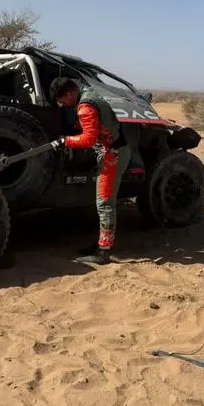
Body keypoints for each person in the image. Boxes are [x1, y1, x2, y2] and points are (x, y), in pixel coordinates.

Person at [48, 77, 132, 265]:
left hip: (112, 155)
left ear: (70, 93)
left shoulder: (85, 107)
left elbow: (88, 138)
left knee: (104, 202)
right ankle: (101, 243)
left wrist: (65, 141)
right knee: (104, 201)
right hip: (114, 151)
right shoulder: (90, 94)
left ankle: (103, 252)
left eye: (62, 101)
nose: (62, 105)